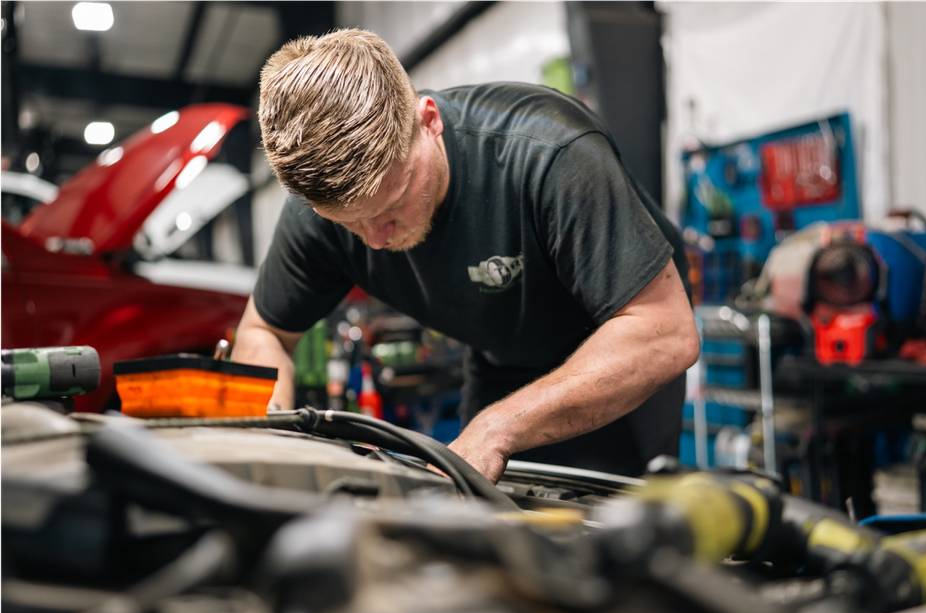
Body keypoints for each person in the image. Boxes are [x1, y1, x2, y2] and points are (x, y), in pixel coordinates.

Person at [231, 28, 700, 483]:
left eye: (393, 203)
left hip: (617, 345)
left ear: (429, 121)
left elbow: (664, 333)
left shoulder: (550, 154)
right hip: (501, 357)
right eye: (349, 223)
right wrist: (270, 440)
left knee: (615, 527)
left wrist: (498, 428)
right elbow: (263, 331)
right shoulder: (318, 211)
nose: (374, 240)